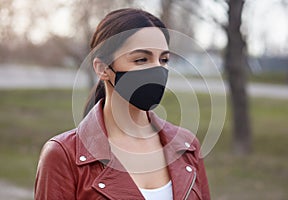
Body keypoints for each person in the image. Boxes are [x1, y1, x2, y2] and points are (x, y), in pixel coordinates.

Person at [35, 8, 210, 200]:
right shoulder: (63, 154)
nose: (157, 69)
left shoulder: (187, 146)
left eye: (164, 59)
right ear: (103, 69)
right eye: (141, 59)